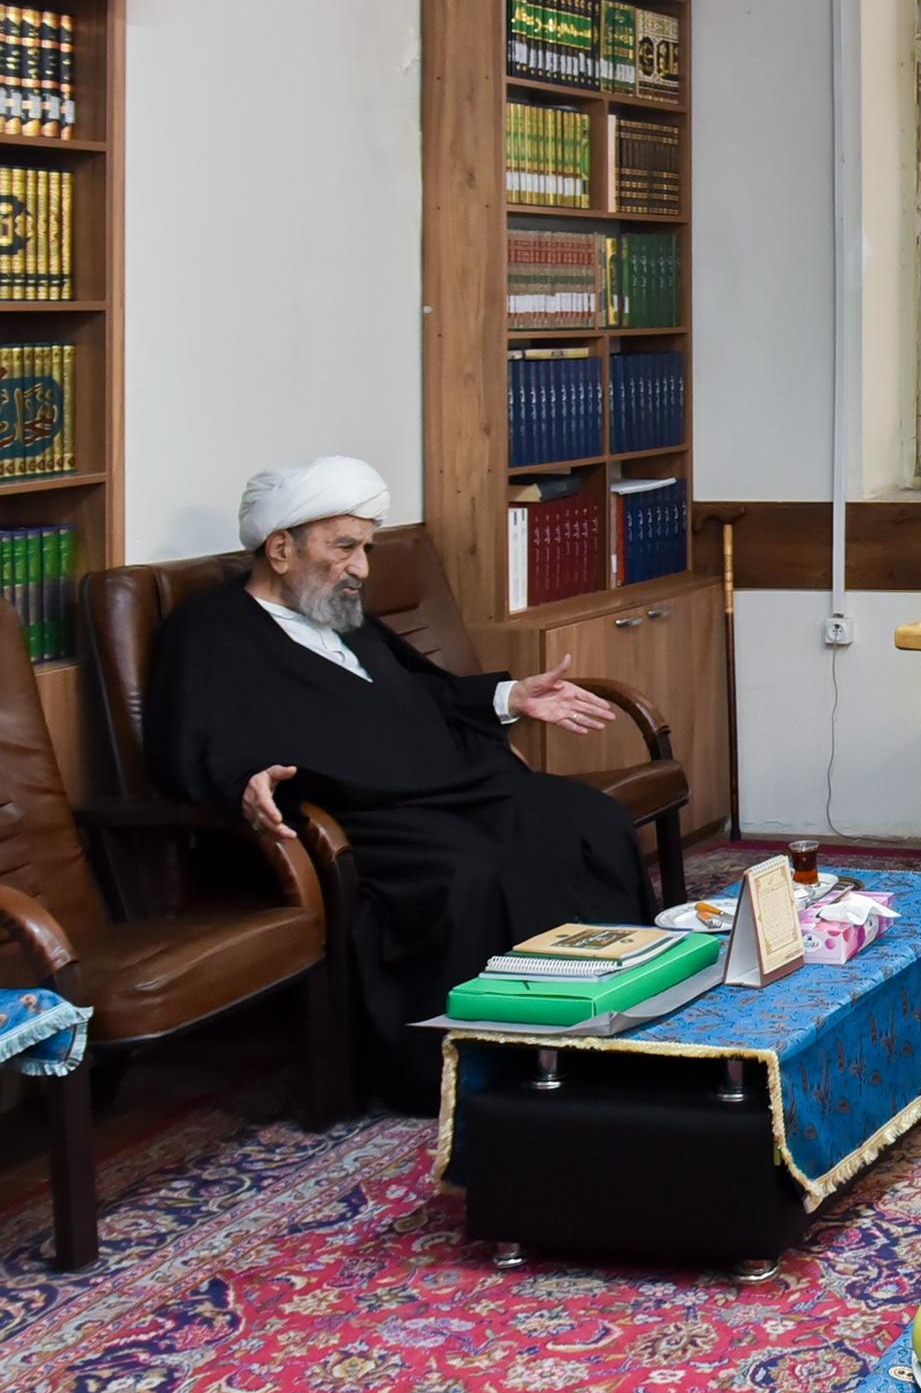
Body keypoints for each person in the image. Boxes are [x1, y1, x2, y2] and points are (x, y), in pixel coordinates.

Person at [147, 458, 650, 1077]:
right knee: (470, 870)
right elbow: (193, 738)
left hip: (451, 788)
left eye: (367, 548)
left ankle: (620, 1012)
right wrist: (244, 781)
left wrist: (510, 696)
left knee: (592, 820)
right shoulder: (208, 630)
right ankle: (481, 1058)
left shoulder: (339, 611)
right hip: (361, 815)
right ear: (280, 549)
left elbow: (427, 689)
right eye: (345, 547)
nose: (362, 567)